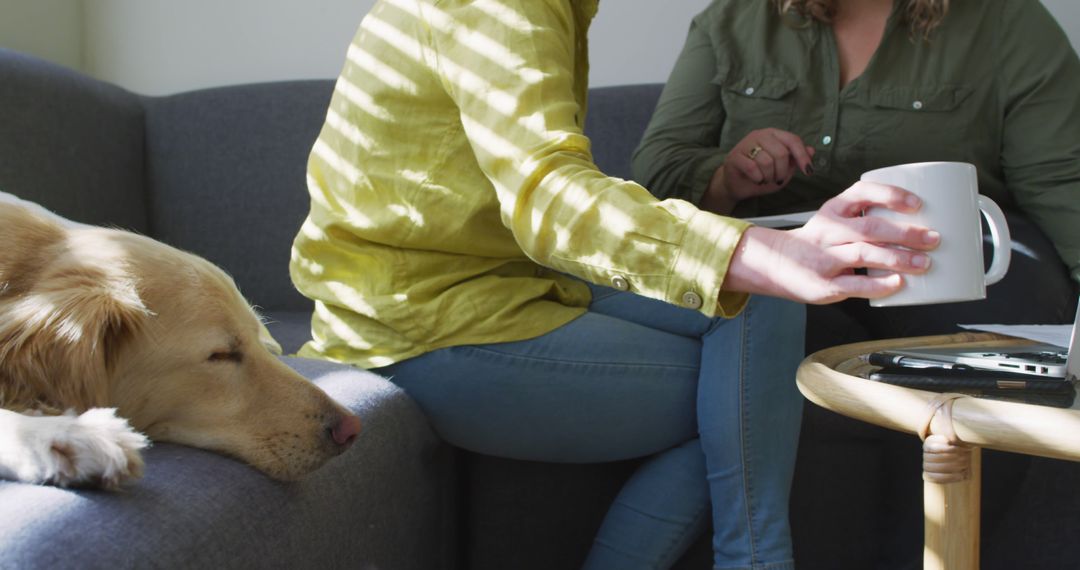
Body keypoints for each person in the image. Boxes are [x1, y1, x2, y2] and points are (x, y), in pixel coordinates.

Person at [289, 1, 938, 568]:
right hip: (422, 321)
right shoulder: (505, 5)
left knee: (760, 322)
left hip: (500, 277)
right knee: (743, 405)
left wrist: (767, 256)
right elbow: (549, 198)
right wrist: (757, 247)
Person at [631, 0, 1080, 566]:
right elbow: (651, 180)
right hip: (790, 258)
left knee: (1013, 329)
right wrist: (727, 177)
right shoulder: (735, 21)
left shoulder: (1004, 22)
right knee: (771, 342)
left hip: (946, 260)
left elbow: (1064, 182)